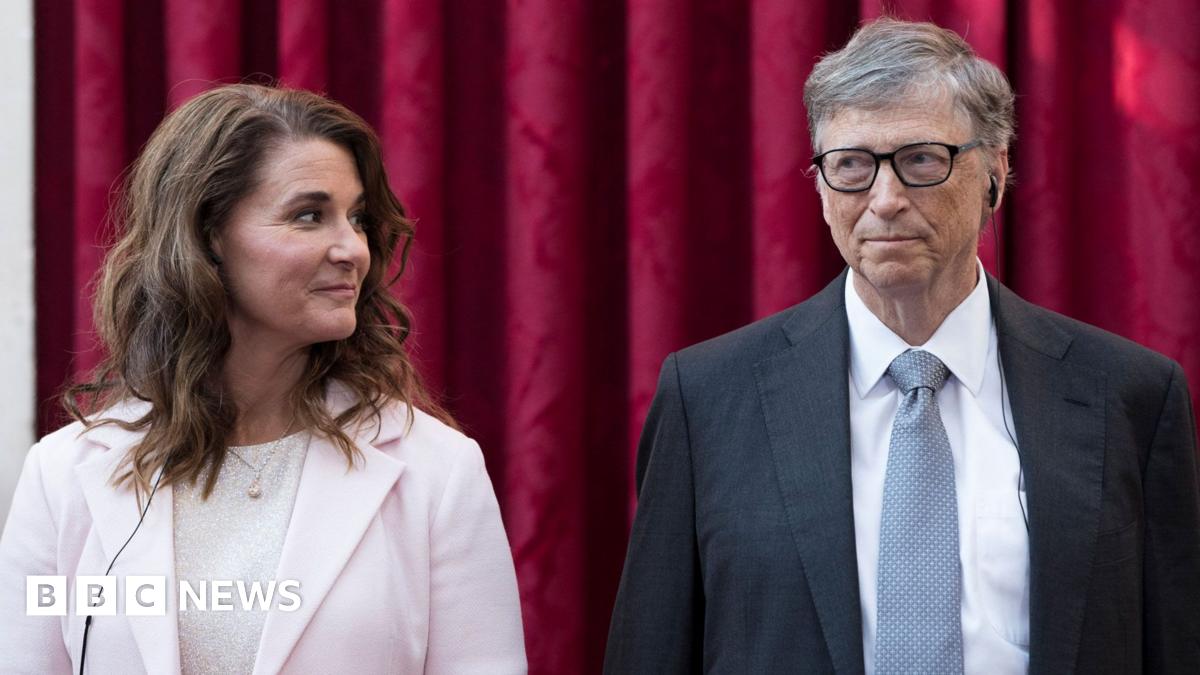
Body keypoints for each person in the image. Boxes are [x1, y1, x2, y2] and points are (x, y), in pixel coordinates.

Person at [605, 18, 1200, 674]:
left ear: (995, 171)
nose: (884, 200)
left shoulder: (1129, 396)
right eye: (852, 165)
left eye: (921, 159)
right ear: (821, 184)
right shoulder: (709, 397)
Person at [0, 84, 526, 674]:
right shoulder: (63, 474)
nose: (353, 248)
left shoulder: (439, 472)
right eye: (309, 216)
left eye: (357, 218)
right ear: (207, 238)